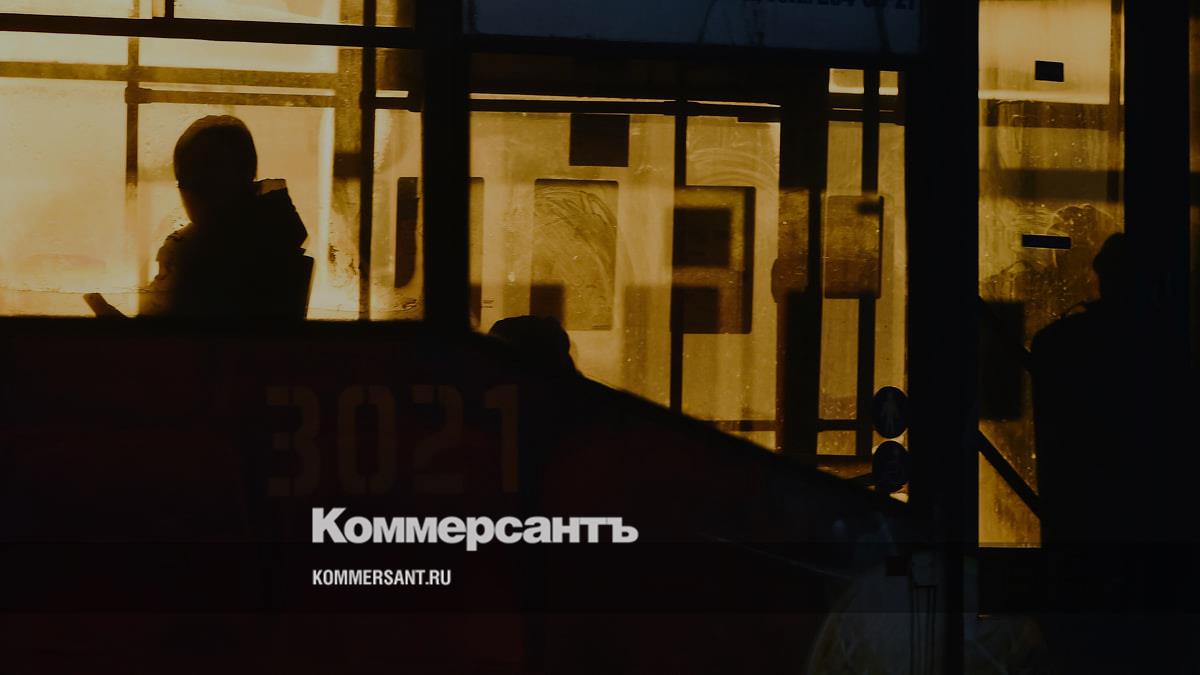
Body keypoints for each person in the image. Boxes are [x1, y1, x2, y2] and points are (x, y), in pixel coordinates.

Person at [138, 115, 310, 319]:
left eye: (189, 181)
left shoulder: (190, 253)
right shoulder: (278, 233)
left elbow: (156, 329)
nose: (189, 194)